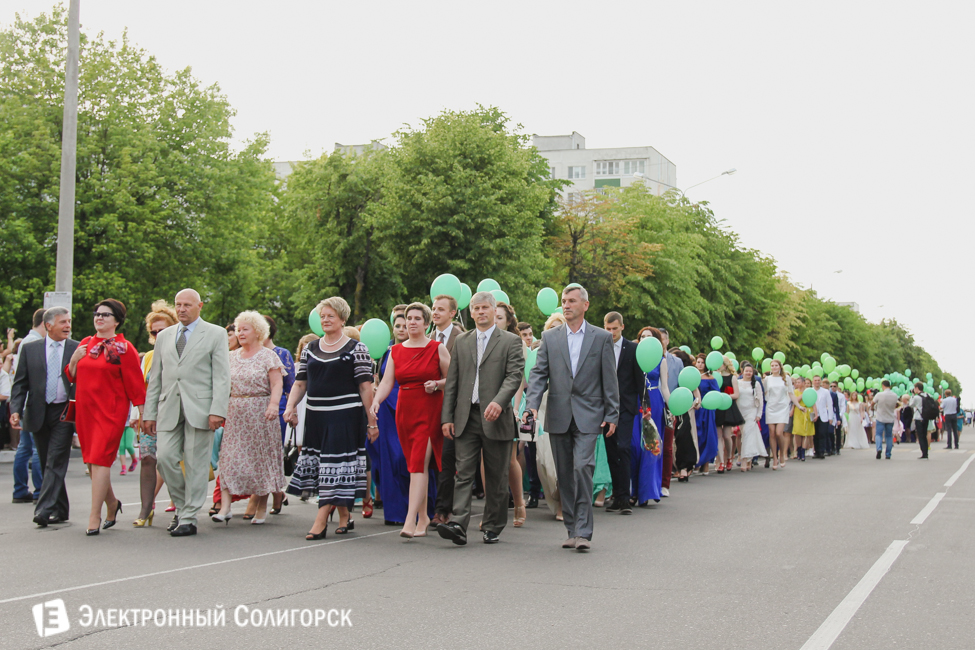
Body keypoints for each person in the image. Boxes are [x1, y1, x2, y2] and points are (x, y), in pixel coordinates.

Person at [525, 285, 618, 552]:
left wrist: (612, 413)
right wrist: (531, 406)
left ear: (585, 305)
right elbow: (539, 375)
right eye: (564, 301)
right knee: (564, 474)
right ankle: (571, 529)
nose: (566, 305)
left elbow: (609, 380)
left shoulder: (601, 338)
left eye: (572, 301)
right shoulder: (549, 337)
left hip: (590, 415)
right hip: (559, 414)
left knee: (582, 468)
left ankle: (584, 532)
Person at [284, 297, 376, 540]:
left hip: (345, 416)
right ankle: (345, 515)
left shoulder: (357, 349)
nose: (325, 319)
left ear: (342, 319)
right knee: (327, 467)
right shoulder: (310, 349)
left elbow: (366, 388)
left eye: (330, 316)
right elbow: (301, 382)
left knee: (335, 466)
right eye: (322, 315)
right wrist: (291, 406)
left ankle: (320, 519)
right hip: (316, 416)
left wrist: (371, 421)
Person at [143, 289, 232, 537]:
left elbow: (222, 376)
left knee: (195, 464)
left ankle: (189, 517)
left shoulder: (215, 333)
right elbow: (156, 378)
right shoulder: (165, 337)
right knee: (165, 458)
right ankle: (183, 508)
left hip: (201, 409)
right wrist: (149, 413)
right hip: (168, 406)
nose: (181, 309)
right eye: (178, 305)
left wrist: (217, 410)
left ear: (199, 306)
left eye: (187, 305)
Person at [437, 291, 523, 546]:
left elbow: (514, 376)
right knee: (463, 473)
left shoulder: (510, 341)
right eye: (477, 308)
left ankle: (494, 525)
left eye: (486, 308)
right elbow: (452, 382)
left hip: (496, 417)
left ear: (494, 310)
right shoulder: (462, 341)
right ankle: (458, 524)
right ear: (471, 312)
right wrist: (447, 417)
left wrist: (499, 401)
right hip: (466, 417)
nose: (481, 312)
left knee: (496, 475)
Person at [66, 300, 146, 535]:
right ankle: (112, 503)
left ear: (117, 320)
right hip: (86, 411)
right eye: (97, 314)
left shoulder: (125, 348)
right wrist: (73, 360)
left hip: (110, 412)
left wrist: (143, 414)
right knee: (92, 463)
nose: (99, 318)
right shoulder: (84, 344)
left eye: (105, 315)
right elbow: (71, 376)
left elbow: (135, 385)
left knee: (100, 460)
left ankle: (94, 515)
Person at [372, 302, 450, 538]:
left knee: (418, 464)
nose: (412, 322)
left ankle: (410, 519)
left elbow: (453, 378)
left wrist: (436, 384)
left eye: (418, 318)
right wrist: (376, 401)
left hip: (429, 410)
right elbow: (386, 382)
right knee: (416, 465)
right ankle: (424, 517)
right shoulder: (395, 351)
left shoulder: (437, 348)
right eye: (409, 318)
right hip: (404, 411)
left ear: (427, 323)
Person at [211, 311, 285, 526]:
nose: (240, 333)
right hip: (235, 412)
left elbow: (277, 384)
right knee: (229, 460)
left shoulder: (268, 356)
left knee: (261, 461)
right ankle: (225, 507)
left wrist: (273, 405)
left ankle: (261, 508)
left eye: (245, 329)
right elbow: (221, 384)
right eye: (238, 329)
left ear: (258, 332)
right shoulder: (230, 356)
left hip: (261, 412)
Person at [9, 307, 78, 527]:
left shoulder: (76, 348)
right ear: (48, 325)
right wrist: (16, 410)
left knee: (55, 460)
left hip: (64, 413)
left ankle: (44, 509)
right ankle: (62, 509)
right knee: (48, 460)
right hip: (38, 412)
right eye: (62, 322)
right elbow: (20, 383)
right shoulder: (30, 349)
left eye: (69, 322)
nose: (67, 326)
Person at [131, 301, 178, 527]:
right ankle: (145, 508)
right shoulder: (148, 356)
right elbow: (140, 387)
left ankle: (181, 506)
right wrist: (137, 414)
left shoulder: (181, 351)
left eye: (162, 330)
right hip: (152, 414)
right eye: (154, 331)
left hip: (176, 414)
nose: (158, 335)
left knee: (172, 461)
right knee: (148, 459)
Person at [372, 314, 411, 525]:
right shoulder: (387, 352)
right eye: (397, 326)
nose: (401, 329)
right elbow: (382, 380)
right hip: (387, 409)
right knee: (388, 460)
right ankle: (394, 511)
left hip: (409, 407)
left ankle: (416, 508)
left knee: (405, 459)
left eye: (405, 325)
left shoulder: (418, 349)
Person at [602, 312, 642, 514]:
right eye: (608, 329)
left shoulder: (633, 349)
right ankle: (617, 496)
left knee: (623, 447)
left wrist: (645, 404)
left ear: (622, 327)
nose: (611, 333)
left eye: (614, 329)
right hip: (605, 408)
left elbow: (639, 379)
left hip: (626, 406)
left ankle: (626, 497)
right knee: (611, 451)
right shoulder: (600, 346)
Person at [430, 295, 464, 527]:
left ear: (452, 313)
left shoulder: (461, 338)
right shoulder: (426, 337)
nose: (435, 313)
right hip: (429, 406)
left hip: (453, 407)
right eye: (433, 308)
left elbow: (461, 375)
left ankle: (444, 509)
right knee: (429, 459)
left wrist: (439, 384)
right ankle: (429, 505)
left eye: (441, 309)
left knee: (448, 459)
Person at [495, 301, 528, 527]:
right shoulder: (479, 339)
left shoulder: (516, 343)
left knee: (509, 458)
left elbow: (518, 381)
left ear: (508, 321)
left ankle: (518, 503)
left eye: (499, 317)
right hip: (485, 403)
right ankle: (493, 509)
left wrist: (516, 408)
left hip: (510, 403)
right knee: (483, 459)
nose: (494, 320)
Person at [10, 308, 46, 505]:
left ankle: (20, 489)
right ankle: (40, 489)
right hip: (32, 403)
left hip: (23, 402)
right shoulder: (34, 343)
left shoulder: (25, 341)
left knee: (24, 448)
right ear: (44, 323)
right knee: (36, 448)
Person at [261, 315, 295, 516]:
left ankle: (267, 495)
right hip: (253, 409)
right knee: (259, 454)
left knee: (272, 454)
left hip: (278, 410)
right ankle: (276, 492)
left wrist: (292, 411)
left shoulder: (282, 353)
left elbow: (291, 384)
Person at [764, 359, 802, 470]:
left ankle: (781, 454)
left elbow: (791, 393)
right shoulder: (767, 379)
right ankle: (775, 458)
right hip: (771, 407)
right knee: (772, 433)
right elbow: (765, 393)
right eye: (772, 366)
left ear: (780, 367)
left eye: (776, 365)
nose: (774, 367)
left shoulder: (786, 379)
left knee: (779, 433)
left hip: (782, 407)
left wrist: (799, 406)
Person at [714, 356, 743, 472]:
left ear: (725, 365)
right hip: (717, 407)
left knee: (727, 436)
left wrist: (724, 397)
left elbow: (736, 394)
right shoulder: (715, 377)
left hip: (728, 407)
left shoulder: (732, 378)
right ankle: (721, 461)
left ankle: (729, 457)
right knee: (718, 436)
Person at [736, 362, 766, 471]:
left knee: (748, 434)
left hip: (751, 411)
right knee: (744, 435)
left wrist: (759, 414)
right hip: (740, 411)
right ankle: (749, 459)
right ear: (742, 372)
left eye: (750, 371)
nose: (748, 373)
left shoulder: (756, 384)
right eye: (746, 371)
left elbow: (760, 400)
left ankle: (744, 460)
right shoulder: (738, 382)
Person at [694, 353, 720, 474]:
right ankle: (696, 461)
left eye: (702, 362)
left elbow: (716, 394)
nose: (699, 364)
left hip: (707, 410)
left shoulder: (710, 379)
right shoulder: (692, 375)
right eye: (698, 362)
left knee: (706, 435)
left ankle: (705, 464)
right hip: (695, 409)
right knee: (696, 435)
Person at [872, 381, 899, 458]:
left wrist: (873, 407)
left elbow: (872, 403)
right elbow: (895, 405)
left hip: (880, 417)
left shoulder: (879, 394)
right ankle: (888, 454)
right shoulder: (894, 395)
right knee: (889, 436)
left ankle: (879, 448)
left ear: (883, 386)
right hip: (890, 417)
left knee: (878, 434)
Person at [791, 378, 816, 460]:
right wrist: (802, 395)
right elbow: (795, 401)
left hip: (807, 411)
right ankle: (798, 449)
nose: (797, 384)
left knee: (805, 433)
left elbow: (813, 402)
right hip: (798, 412)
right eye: (796, 382)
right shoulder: (795, 392)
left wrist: (816, 414)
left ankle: (803, 452)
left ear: (803, 383)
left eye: (799, 382)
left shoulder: (809, 391)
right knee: (797, 432)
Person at [811, 375, 835, 459]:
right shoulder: (810, 391)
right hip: (813, 415)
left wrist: (830, 417)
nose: (817, 382)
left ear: (820, 381)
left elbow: (830, 404)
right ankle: (816, 451)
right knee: (815, 434)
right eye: (815, 380)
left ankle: (821, 451)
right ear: (813, 381)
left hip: (823, 415)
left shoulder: (825, 392)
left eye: (818, 380)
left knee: (822, 433)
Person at [909, 383, 929, 459]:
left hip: (919, 417)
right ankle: (926, 452)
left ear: (917, 388)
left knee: (921, 436)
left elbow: (911, 404)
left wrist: (912, 395)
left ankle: (924, 453)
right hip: (926, 417)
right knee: (924, 435)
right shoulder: (927, 395)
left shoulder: (917, 397)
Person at [831, 381, 846, 454]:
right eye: (831, 386)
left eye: (834, 386)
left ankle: (838, 447)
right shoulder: (829, 394)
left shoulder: (841, 396)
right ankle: (832, 447)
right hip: (831, 415)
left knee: (838, 432)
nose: (833, 388)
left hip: (838, 415)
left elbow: (843, 406)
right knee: (831, 432)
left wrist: (839, 415)